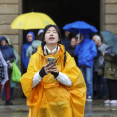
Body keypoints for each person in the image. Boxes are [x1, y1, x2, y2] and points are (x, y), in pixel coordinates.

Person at [20, 25, 86, 117]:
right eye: (48, 32)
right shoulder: (35, 57)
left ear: (59, 38)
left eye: (54, 32)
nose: (51, 33)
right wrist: (41, 73)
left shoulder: (66, 57)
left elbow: (73, 81)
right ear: (44, 38)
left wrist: (57, 74)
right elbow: (28, 83)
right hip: (42, 101)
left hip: (62, 103)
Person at [74, 33, 97, 101]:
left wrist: (86, 59)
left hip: (88, 64)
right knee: (82, 81)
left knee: (89, 80)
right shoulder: (80, 43)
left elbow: (94, 53)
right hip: (81, 64)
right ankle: (83, 94)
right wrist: (77, 45)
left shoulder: (91, 42)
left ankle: (89, 95)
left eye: (81, 35)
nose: (80, 36)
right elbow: (76, 53)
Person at [0, 36, 15, 105]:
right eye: (2, 41)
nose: (3, 42)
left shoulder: (10, 49)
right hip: (1, 69)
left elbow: (13, 56)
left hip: (8, 69)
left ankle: (8, 99)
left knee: (7, 84)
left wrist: (10, 61)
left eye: (4, 41)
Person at [92, 35, 109, 99]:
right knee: (97, 82)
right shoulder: (93, 47)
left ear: (99, 40)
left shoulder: (104, 46)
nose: (93, 42)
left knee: (104, 82)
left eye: (94, 40)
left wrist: (102, 53)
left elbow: (108, 55)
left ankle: (105, 94)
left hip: (102, 67)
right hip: (95, 66)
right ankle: (99, 94)